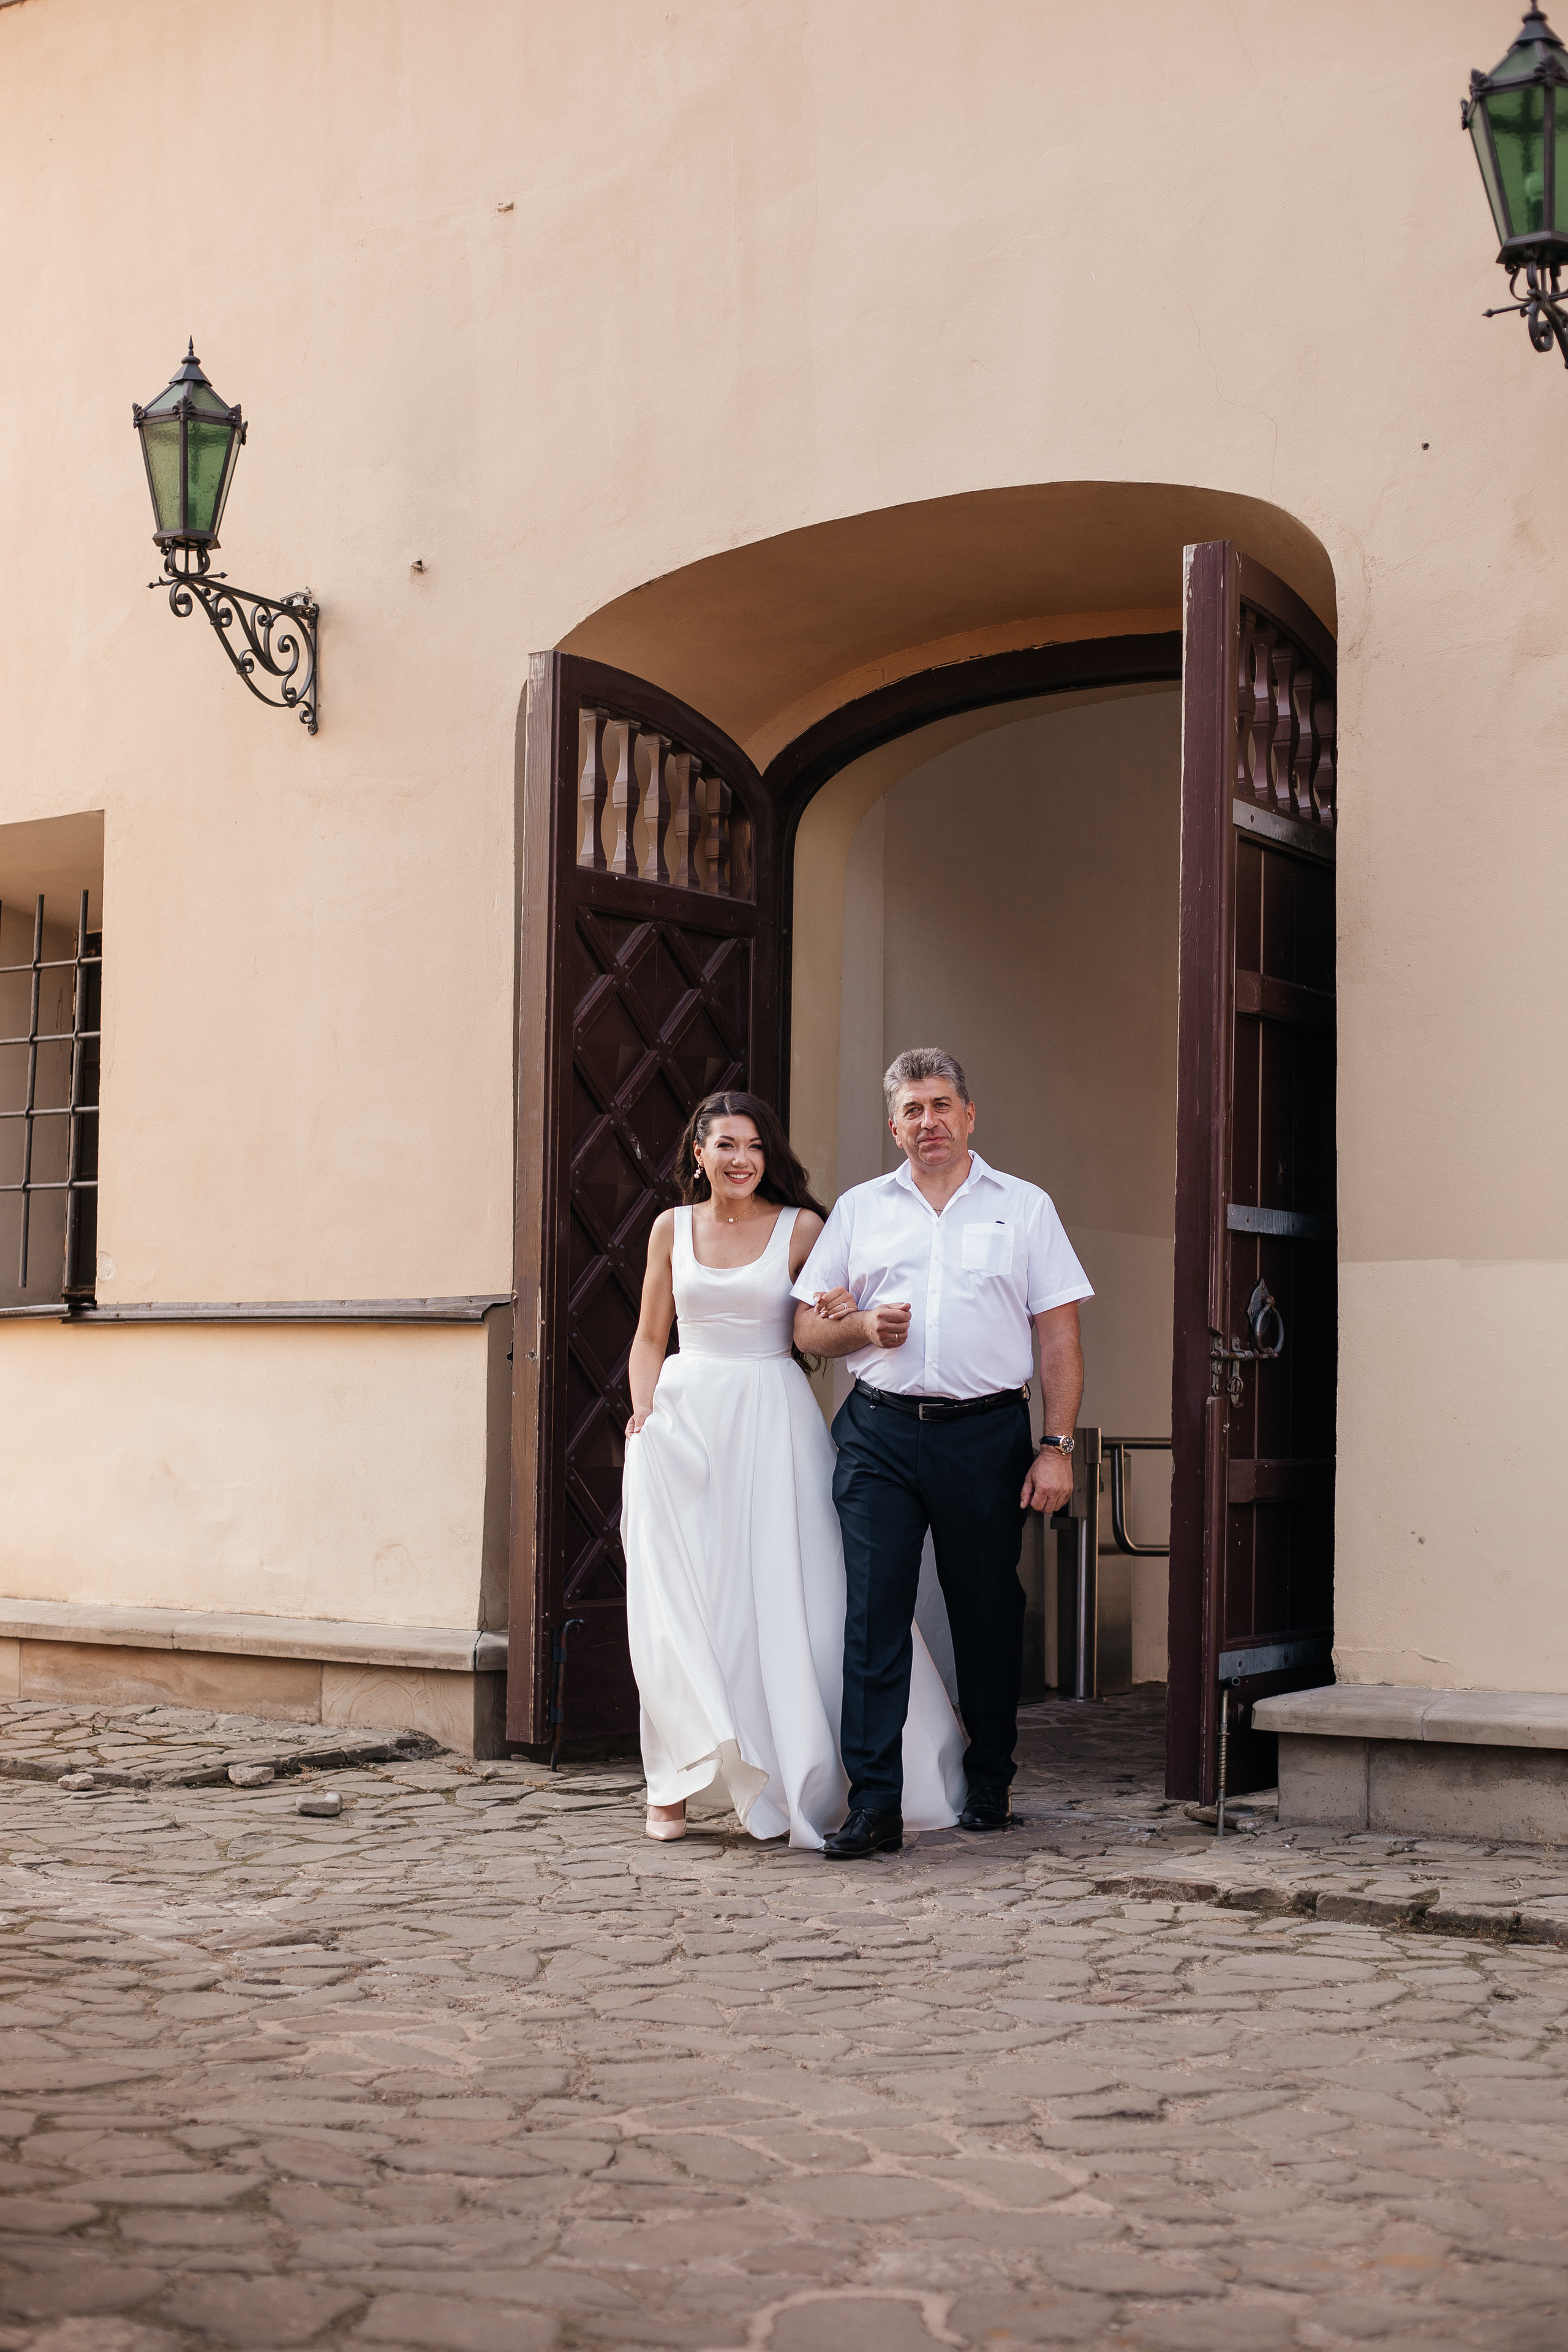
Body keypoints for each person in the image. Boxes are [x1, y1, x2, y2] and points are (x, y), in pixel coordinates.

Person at [620, 1090, 966, 1849]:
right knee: (683, 1603)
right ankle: (673, 1782)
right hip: (685, 1428)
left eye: (754, 1146)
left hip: (774, 1418)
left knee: (801, 1596)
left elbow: (825, 1316)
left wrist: (844, 1309)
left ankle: (811, 1773)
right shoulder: (668, 1229)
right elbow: (650, 1337)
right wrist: (644, 1415)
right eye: (726, 1145)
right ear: (698, 1155)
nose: (742, 1159)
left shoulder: (804, 1227)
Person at [792, 1049, 1092, 1858]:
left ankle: (990, 1782)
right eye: (912, 1110)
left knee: (987, 1612)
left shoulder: (1024, 1208)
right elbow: (807, 1329)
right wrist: (860, 1328)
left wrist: (1056, 1446)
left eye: (941, 1105)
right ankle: (876, 1806)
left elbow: (1058, 1336)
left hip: (986, 1436)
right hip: (879, 1434)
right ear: (894, 1127)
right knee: (872, 1617)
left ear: (969, 1116)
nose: (928, 1121)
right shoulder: (859, 1211)